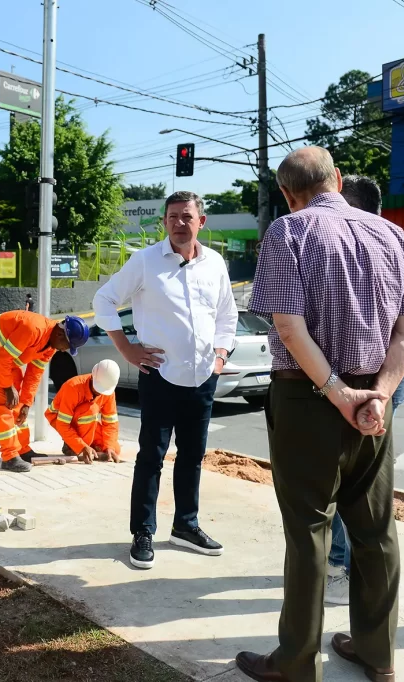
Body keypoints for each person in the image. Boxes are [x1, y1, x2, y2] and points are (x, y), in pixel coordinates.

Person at [236, 147, 404, 682]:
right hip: (374, 404)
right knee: (376, 531)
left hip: (308, 398)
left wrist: (338, 393)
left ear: (288, 195)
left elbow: (290, 329)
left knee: (309, 532)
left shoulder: (288, 232)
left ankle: (296, 664)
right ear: (337, 179)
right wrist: (380, 394)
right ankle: (378, 654)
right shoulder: (392, 235)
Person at [93, 190, 238, 569]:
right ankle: (143, 531)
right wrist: (126, 350)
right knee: (152, 457)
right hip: (159, 376)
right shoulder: (144, 262)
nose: (178, 223)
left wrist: (221, 355)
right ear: (165, 222)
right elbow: (104, 300)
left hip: (203, 377)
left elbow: (227, 314)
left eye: (186, 216)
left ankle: (185, 526)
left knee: (192, 456)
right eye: (172, 216)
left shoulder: (215, 264)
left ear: (201, 222)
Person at [325, 174, 404, 606]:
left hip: (355, 384)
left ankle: (340, 566)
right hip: (390, 382)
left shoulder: (347, 246)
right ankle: (363, 575)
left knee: (345, 481)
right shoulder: (398, 242)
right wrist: (384, 392)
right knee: (372, 487)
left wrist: (355, 392)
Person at [0, 311, 89, 473]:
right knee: (2, 403)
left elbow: (35, 373)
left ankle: (22, 449)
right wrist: (7, 387)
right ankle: (9, 457)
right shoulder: (33, 329)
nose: (64, 350)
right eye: (67, 346)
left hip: (6, 359)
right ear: (60, 334)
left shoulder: (51, 345)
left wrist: (26, 402)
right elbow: (3, 357)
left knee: (18, 404)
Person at [45, 359, 123, 463]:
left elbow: (111, 423)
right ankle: (74, 446)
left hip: (85, 422)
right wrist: (81, 446)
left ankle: (86, 447)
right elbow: (63, 424)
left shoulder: (108, 391)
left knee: (115, 448)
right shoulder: (73, 387)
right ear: (92, 377)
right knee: (90, 409)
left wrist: (110, 447)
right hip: (59, 419)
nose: (100, 393)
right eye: (98, 389)